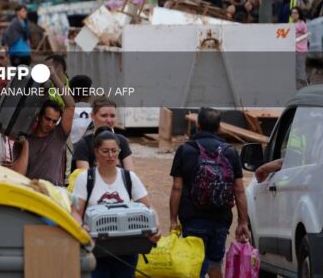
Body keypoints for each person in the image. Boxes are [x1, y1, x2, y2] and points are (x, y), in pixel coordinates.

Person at [169, 107, 249, 278]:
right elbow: (239, 190)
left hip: (192, 218)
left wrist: (172, 220)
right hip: (220, 220)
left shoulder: (185, 150)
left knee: (193, 267)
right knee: (214, 266)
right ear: (219, 127)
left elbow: (177, 187)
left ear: (197, 124)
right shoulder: (230, 152)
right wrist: (242, 222)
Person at [73, 128, 160, 278]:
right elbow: (75, 213)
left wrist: (156, 227)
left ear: (119, 151)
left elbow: (149, 207)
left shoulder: (129, 177)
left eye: (114, 150)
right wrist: (82, 228)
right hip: (96, 250)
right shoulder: (86, 178)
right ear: (96, 152)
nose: (111, 155)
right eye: (105, 151)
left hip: (127, 249)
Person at [11, 98, 75, 187]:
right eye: (47, 119)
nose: (50, 124)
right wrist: (25, 145)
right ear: (39, 116)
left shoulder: (59, 134)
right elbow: (18, 175)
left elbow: (71, 105)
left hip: (53, 193)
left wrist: (55, 83)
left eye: (54, 121)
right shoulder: (23, 141)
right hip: (32, 193)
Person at [73, 97, 134, 171]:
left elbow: (130, 175)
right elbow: (85, 178)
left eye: (112, 116)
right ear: (92, 116)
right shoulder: (83, 144)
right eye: (104, 116)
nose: (109, 120)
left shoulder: (122, 141)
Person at [291, 7, 309, 88]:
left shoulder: (301, 24)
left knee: (300, 70)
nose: (294, 14)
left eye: (296, 13)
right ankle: (300, 87)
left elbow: (306, 34)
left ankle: (304, 88)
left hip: (300, 51)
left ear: (299, 14)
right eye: (292, 13)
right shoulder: (292, 24)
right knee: (296, 70)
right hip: (294, 50)